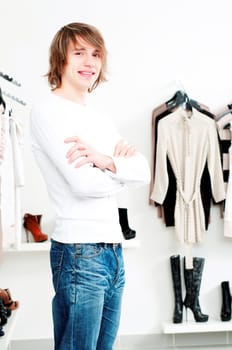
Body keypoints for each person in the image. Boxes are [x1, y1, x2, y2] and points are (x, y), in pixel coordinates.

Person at [29, 22, 150, 350]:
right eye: (79, 53)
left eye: (96, 54)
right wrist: (119, 171)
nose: (90, 62)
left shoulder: (99, 119)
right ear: (61, 60)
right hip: (80, 253)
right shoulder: (47, 110)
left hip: (113, 251)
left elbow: (143, 171)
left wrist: (105, 161)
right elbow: (82, 184)